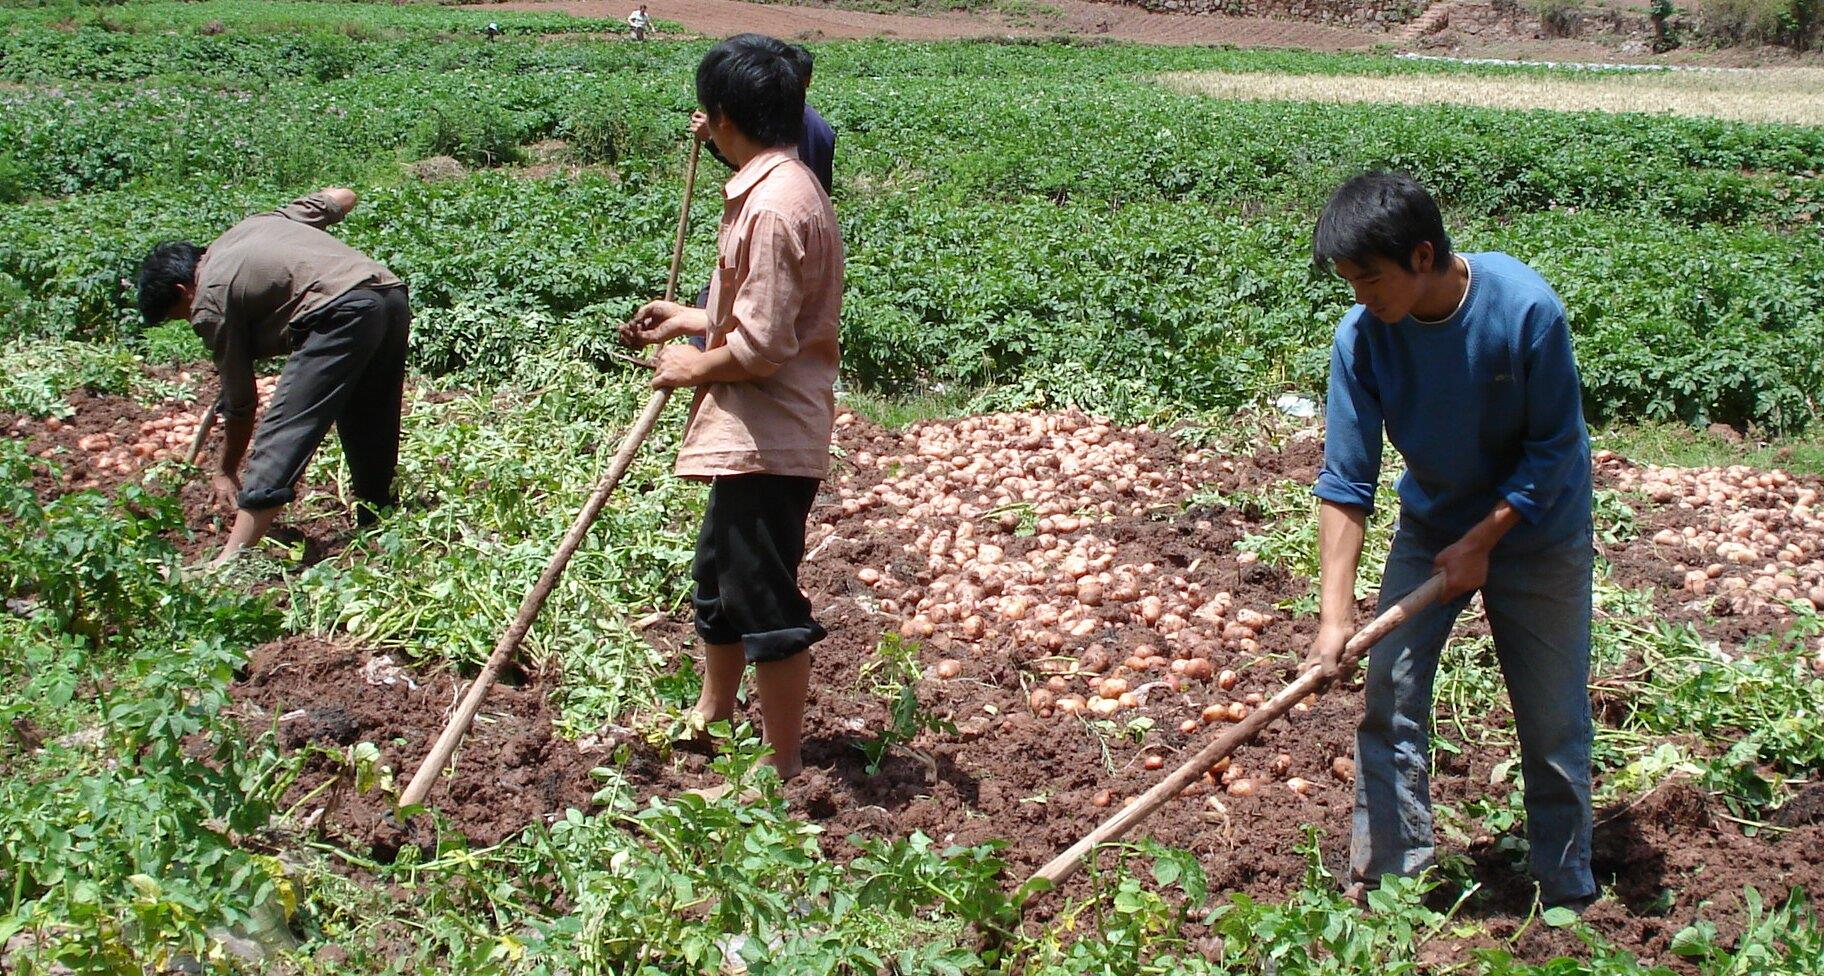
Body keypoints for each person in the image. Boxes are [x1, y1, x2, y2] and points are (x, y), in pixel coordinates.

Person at [1301, 171, 1595, 911]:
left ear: (1423, 257)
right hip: (1433, 527)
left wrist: (1488, 538)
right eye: (1348, 282)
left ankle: (1567, 887)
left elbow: (1556, 448)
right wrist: (1335, 617)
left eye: (1369, 279)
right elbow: (1345, 483)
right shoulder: (1362, 339)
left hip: (1538, 528)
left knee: (1552, 714)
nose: (1360, 297)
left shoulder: (1524, 309)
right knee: (1388, 695)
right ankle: (1391, 886)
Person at [620, 34, 843, 785]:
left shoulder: (775, 207)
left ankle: (782, 770)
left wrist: (694, 365)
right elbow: (755, 308)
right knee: (717, 578)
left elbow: (766, 345)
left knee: (765, 601)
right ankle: (713, 715)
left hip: (770, 435)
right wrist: (694, 318)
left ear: (722, 116)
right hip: (747, 432)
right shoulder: (771, 184)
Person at [135, 189, 411, 566]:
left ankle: (231, 559)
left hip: (338, 312)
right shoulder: (257, 226)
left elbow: (241, 402)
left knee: (285, 429)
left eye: (179, 314)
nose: (189, 320)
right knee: (370, 417)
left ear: (182, 290)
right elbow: (343, 197)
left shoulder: (208, 299)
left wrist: (226, 469)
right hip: (388, 294)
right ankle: (380, 525)